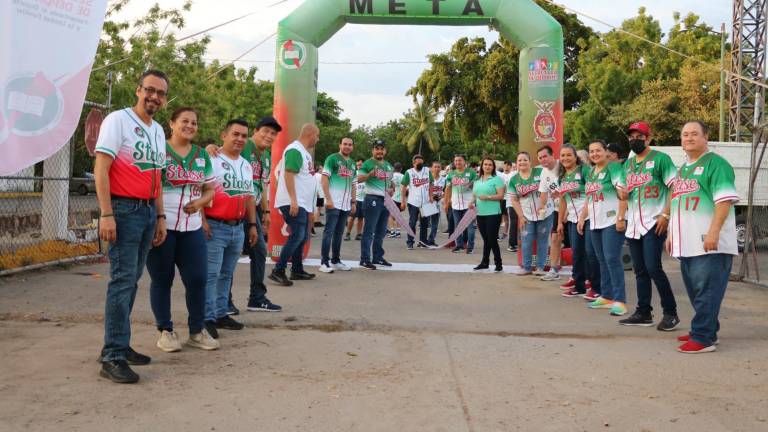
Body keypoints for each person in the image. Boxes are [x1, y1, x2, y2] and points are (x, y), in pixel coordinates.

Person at [94, 70, 169, 384]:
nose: (154, 97)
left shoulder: (158, 129)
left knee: (132, 280)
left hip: (148, 210)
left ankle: (120, 345)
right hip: (123, 210)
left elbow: (158, 178)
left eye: (160, 93)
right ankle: (112, 355)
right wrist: (106, 213)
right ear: (138, 90)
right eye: (149, 90)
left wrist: (160, 217)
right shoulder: (118, 120)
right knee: (122, 281)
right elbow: (101, 167)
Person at [146, 107, 219, 354]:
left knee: (197, 279)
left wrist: (199, 204)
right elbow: (153, 186)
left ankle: (197, 331)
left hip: (192, 227)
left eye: (194, 122)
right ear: (172, 123)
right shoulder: (159, 149)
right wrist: (159, 218)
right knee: (162, 279)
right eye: (184, 121)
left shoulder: (201, 155)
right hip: (163, 225)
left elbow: (210, 189)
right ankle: (165, 331)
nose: (190, 126)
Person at [668, 120, 739, 353]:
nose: (688, 138)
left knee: (707, 290)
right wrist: (671, 234)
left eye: (694, 134)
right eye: (685, 134)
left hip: (708, 242)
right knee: (697, 291)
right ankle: (707, 328)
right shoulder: (684, 168)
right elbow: (677, 203)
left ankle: (703, 337)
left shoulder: (717, 165)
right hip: (686, 242)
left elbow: (724, 200)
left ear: (705, 137)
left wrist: (714, 231)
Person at [619, 121, 680, 331]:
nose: (634, 139)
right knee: (640, 270)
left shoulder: (661, 159)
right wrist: (623, 193)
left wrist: (666, 214)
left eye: (639, 136)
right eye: (631, 136)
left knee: (654, 267)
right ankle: (643, 312)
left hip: (654, 221)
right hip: (634, 223)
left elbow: (675, 187)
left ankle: (671, 312)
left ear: (648, 138)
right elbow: (622, 192)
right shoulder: (627, 165)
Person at [202, 119, 259, 337]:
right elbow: (199, 190)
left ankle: (220, 313)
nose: (240, 139)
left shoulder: (245, 164)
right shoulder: (211, 158)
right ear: (223, 135)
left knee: (226, 274)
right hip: (215, 225)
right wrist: (203, 220)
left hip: (238, 227)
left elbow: (249, 197)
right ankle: (206, 318)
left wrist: (252, 224)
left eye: (244, 136)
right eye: (235, 134)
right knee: (211, 274)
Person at [578, 139, 628, 316]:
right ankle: (606, 296)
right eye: (591, 152)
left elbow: (623, 193)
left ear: (606, 151)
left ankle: (620, 300)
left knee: (612, 259)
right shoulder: (591, 172)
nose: (594, 154)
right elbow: (588, 198)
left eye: (598, 150)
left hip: (612, 221)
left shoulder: (613, 168)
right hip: (595, 221)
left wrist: (621, 217)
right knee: (601, 259)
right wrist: (582, 217)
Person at [269, 124, 320, 285]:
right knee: (297, 235)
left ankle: (297, 270)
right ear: (311, 134)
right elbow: (289, 174)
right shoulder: (295, 150)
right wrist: (293, 200)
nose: (317, 140)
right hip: (294, 202)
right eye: (317, 136)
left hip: (301, 203)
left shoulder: (303, 153)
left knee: (302, 235)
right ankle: (278, 270)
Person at [241, 116, 283, 312]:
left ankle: (257, 297)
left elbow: (263, 185)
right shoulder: (243, 145)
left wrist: (266, 210)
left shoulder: (266, 156)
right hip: (236, 205)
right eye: (265, 131)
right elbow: (220, 152)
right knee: (230, 255)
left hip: (254, 206)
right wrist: (209, 149)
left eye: (273, 133)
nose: (269, 136)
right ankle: (224, 301)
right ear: (255, 131)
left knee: (258, 251)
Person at [556, 144, 593, 298]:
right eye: (563, 155)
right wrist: (559, 222)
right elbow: (563, 201)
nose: (565, 158)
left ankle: (595, 285)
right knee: (577, 253)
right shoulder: (562, 178)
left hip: (589, 217)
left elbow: (591, 193)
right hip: (572, 220)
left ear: (575, 157)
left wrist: (583, 217)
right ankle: (579, 286)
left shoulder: (584, 171)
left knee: (591, 253)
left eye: (569, 155)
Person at [509, 152, 553, 275]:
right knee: (526, 241)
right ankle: (526, 267)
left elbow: (552, 187)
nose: (522, 162)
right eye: (519, 160)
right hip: (527, 215)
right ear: (516, 163)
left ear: (530, 162)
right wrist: (521, 216)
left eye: (525, 160)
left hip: (545, 213)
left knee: (543, 241)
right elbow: (514, 200)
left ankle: (540, 267)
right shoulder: (514, 180)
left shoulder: (540, 173)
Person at [318, 137, 357, 273]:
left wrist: (353, 202)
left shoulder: (352, 163)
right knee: (328, 232)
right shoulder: (332, 159)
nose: (347, 146)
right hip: (333, 203)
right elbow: (324, 179)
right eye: (345, 144)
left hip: (346, 204)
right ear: (340, 145)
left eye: (350, 145)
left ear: (352, 147)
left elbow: (353, 184)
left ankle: (336, 260)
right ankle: (324, 262)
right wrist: (328, 199)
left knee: (339, 233)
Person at [358, 139, 395, 270]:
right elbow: (358, 178)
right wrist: (369, 174)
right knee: (369, 230)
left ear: (385, 150)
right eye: (377, 148)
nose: (379, 151)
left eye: (381, 148)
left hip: (385, 200)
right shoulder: (368, 163)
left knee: (381, 231)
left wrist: (392, 188)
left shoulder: (389, 165)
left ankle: (378, 257)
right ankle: (365, 259)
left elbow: (390, 181)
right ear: (373, 150)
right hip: (372, 198)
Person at [472, 158, 506, 272]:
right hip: (480, 213)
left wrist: (488, 197)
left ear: (493, 167)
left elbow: (501, 196)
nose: (487, 166)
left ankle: (499, 263)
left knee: (492, 239)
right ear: (481, 166)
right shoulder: (477, 180)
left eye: (490, 165)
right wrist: (471, 203)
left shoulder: (497, 179)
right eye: (485, 164)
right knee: (486, 240)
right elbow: (474, 195)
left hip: (493, 213)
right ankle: (485, 262)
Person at [537, 145, 562, 281]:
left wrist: (562, 193)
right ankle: (553, 270)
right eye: (540, 158)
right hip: (558, 210)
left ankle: (584, 273)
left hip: (575, 209)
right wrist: (541, 206)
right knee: (554, 239)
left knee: (578, 243)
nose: (542, 160)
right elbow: (543, 192)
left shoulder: (562, 166)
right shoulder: (543, 172)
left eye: (545, 156)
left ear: (553, 155)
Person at [444, 154, 477, 254]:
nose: (458, 162)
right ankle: (459, 245)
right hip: (456, 204)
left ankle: (470, 246)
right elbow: (448, 188)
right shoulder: (451, 174)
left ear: (464, 162)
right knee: (457, 226)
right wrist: (446, 202)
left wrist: (470, 186)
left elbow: (476, 187)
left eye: (460, 160)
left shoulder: (471, 172)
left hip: (469, 204)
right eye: (456, 161)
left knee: (470, 226)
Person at [401, 154, 433, 249]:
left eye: (421, 160)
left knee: (424, 223)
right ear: (413, 162)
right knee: (412, 222)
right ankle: (410, 242)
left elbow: (431, 183)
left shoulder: (427, 170)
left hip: (425, 202)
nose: (419, 162)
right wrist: (403, 201)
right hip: (413, 201)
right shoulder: (409, 172)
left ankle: (423, 242)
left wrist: (431, 196)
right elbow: (403, 186)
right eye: (417, 161)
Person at [345, 159, 365, 241]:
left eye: (361, 165)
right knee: (352, 217)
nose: (359, 166)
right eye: (358, 165)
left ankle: (359, 234)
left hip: (363, 199)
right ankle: (348, 233)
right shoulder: (353, 174)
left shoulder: (366, 175)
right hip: (355, 199)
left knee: (361, 218)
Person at [500, 160, 518, 251]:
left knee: (519, 223)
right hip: (510, 201)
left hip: (523, 203)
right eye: (519, 162)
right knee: (512, 222)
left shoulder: (517, 173)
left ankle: (517, 242)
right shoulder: (507, 175)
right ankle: (512, 244)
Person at [427, 161, 444, 246]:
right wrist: (431, 196)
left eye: (438, 167)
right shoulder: (427, 178)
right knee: (424, 223)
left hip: (437, 204)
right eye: (435, 167)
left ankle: (431, 240)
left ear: (441, 168)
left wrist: (441, 196)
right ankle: (422, 240)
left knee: (435, 223)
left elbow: (445, 191)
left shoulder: (443, 179)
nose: (437, 169)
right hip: (427, 203)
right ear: (431, 168)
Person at [389, 162, 404, 238]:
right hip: (400, 199)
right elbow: (406, 188)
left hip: (392, 198)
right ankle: (398, 232)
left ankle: (392, 231)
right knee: (398, 215)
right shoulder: (403, 176)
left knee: (391, 215)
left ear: (393, 169)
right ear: (401, 169)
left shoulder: (391, 176)